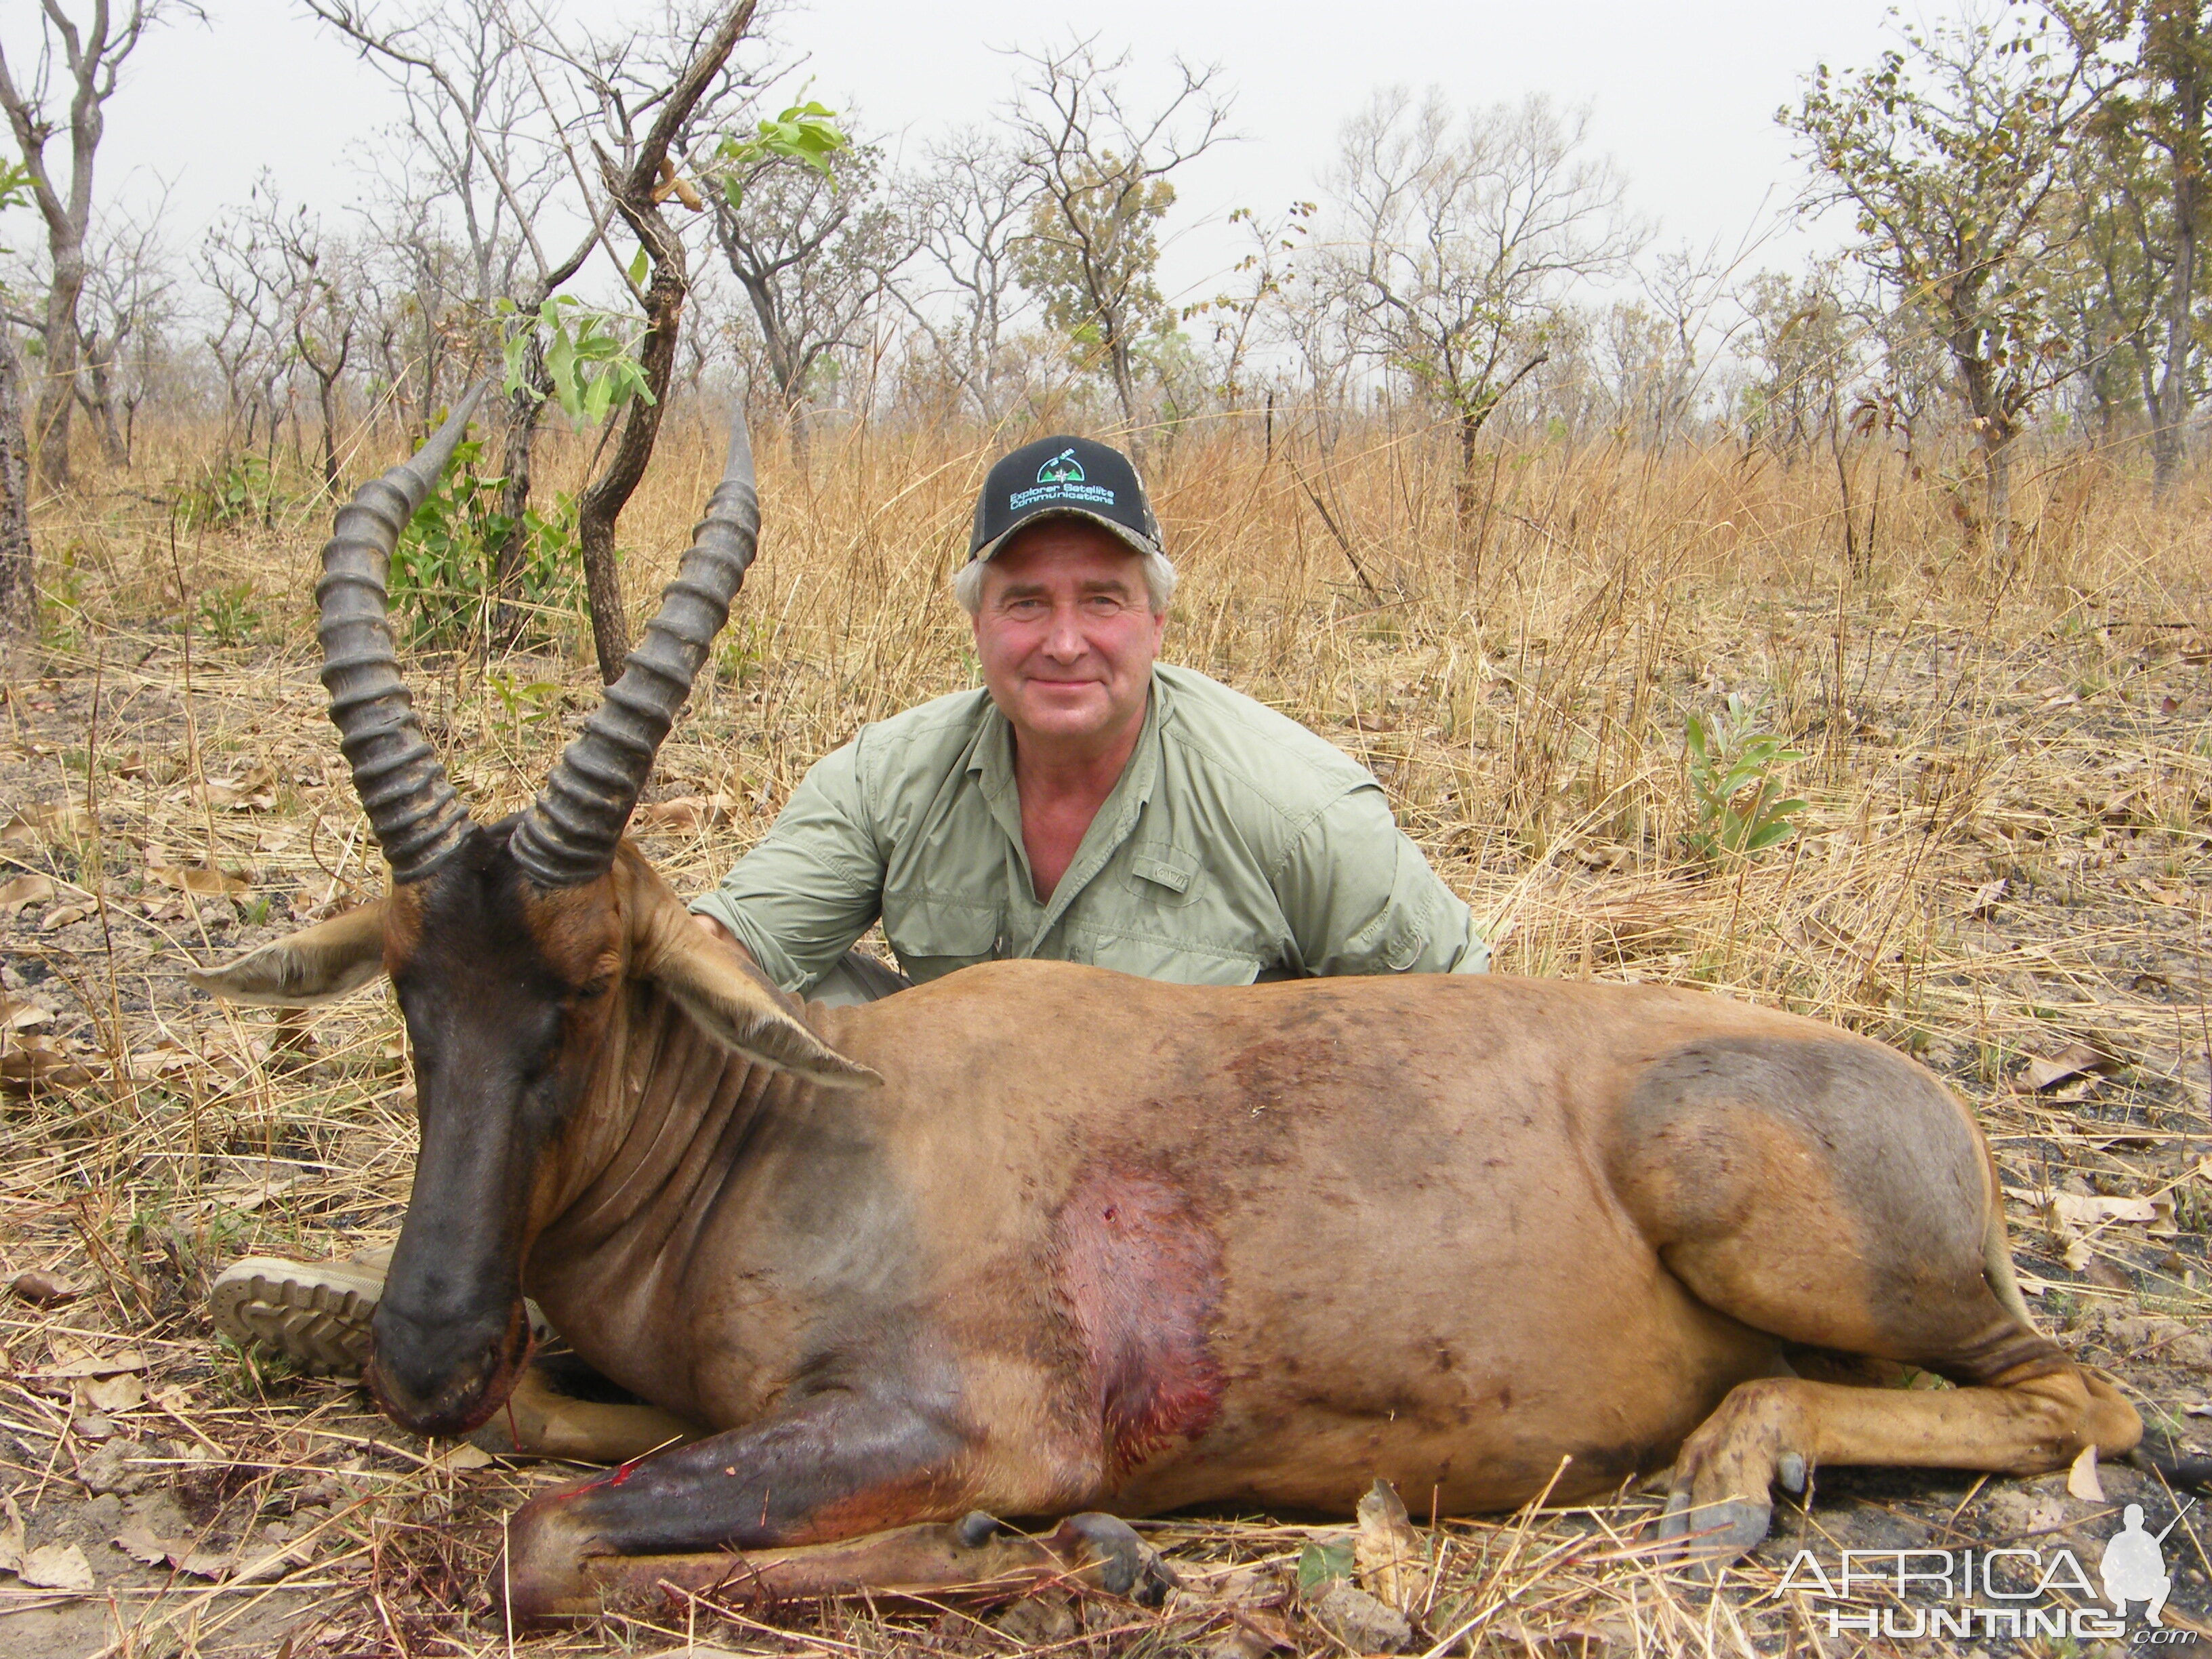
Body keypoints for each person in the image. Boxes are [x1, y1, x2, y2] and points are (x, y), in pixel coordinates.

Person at [211, 432, 1487, 1380]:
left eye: (1102, 600)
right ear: (977, 619)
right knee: (709, 1022)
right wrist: (522, 955)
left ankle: (548, 1325)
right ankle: (472, 1279)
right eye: (1024, 600)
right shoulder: (891, 773)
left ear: (1157, 615)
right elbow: (718, 951)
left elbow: (1467, 1025)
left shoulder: (1293, 803)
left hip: (1183, 1196)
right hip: (953, 1175)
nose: (1063, 640)